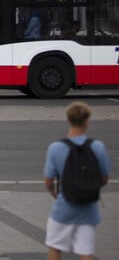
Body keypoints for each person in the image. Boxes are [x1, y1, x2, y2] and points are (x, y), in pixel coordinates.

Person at [43, 101, 110, 260]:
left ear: (68, 119)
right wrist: (89, 188)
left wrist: (56, 194)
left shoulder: (56, 147)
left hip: (63, 206)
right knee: (85, 251)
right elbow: (104, 178)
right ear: (87, 121)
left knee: (55, 247)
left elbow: (48, 181)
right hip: (89, 208)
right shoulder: (97, 147)